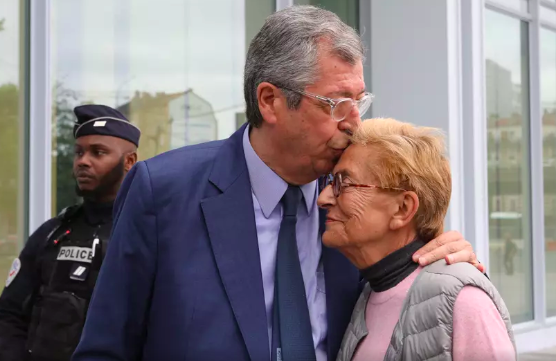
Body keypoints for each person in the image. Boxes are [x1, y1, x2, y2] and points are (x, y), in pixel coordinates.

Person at [73, 6, 483, 361]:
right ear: (269, 101)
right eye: (337, 103)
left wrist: (438, 252)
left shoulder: (357, 202)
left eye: (359, 102)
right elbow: (106, 347)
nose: (354, 121)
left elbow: (406, 284)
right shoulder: (163, 192)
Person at [320, 118, 516, 361]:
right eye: (331, 182)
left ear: (403, 208)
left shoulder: (463, 302)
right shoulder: (370, 292)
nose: (323, 198)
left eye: (344, 183)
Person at [0, 104, 140, 361]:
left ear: (129, 161)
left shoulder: (145, 235)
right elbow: (9, 314)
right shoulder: (51, 233)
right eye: (79, 152)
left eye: (98, 152)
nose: (83, 161)